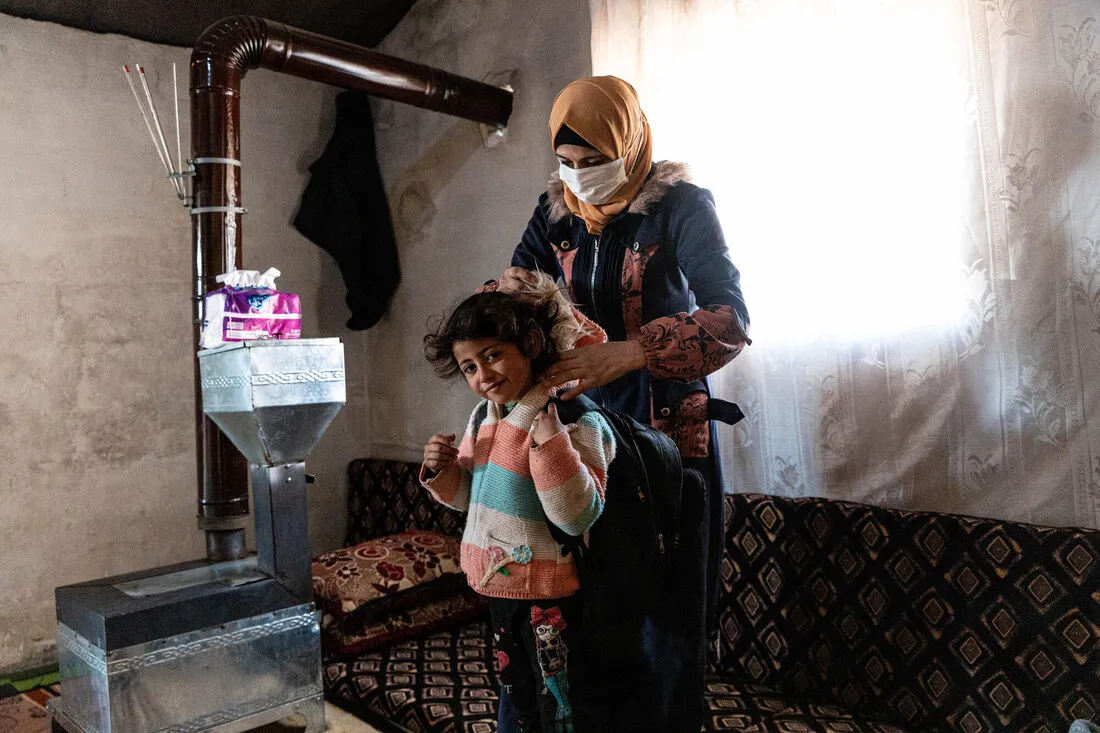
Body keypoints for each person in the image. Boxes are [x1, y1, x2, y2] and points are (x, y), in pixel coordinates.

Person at [496, 75, 751, 732]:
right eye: (568, 161)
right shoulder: (555, 214)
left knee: (665, 622)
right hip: (580, 443)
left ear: (630, 146)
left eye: (595, 160)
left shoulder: (680, 207)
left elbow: (730, 320)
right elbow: (513, 295)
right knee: (579, 614)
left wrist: (630, 352)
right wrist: (508, 310)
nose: (580, 176)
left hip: (666, 442)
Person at [420, 275, 616, 733]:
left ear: (530, 344)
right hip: (501, 588)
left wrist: (552, 445)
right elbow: (469, 498)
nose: (483, 376)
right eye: (469, 367)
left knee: (560, 705)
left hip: (551, 595)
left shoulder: (575, 415)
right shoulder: (484, 416)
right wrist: (442, 469)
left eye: (492, 355)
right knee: (521, 698)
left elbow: (577, 515)